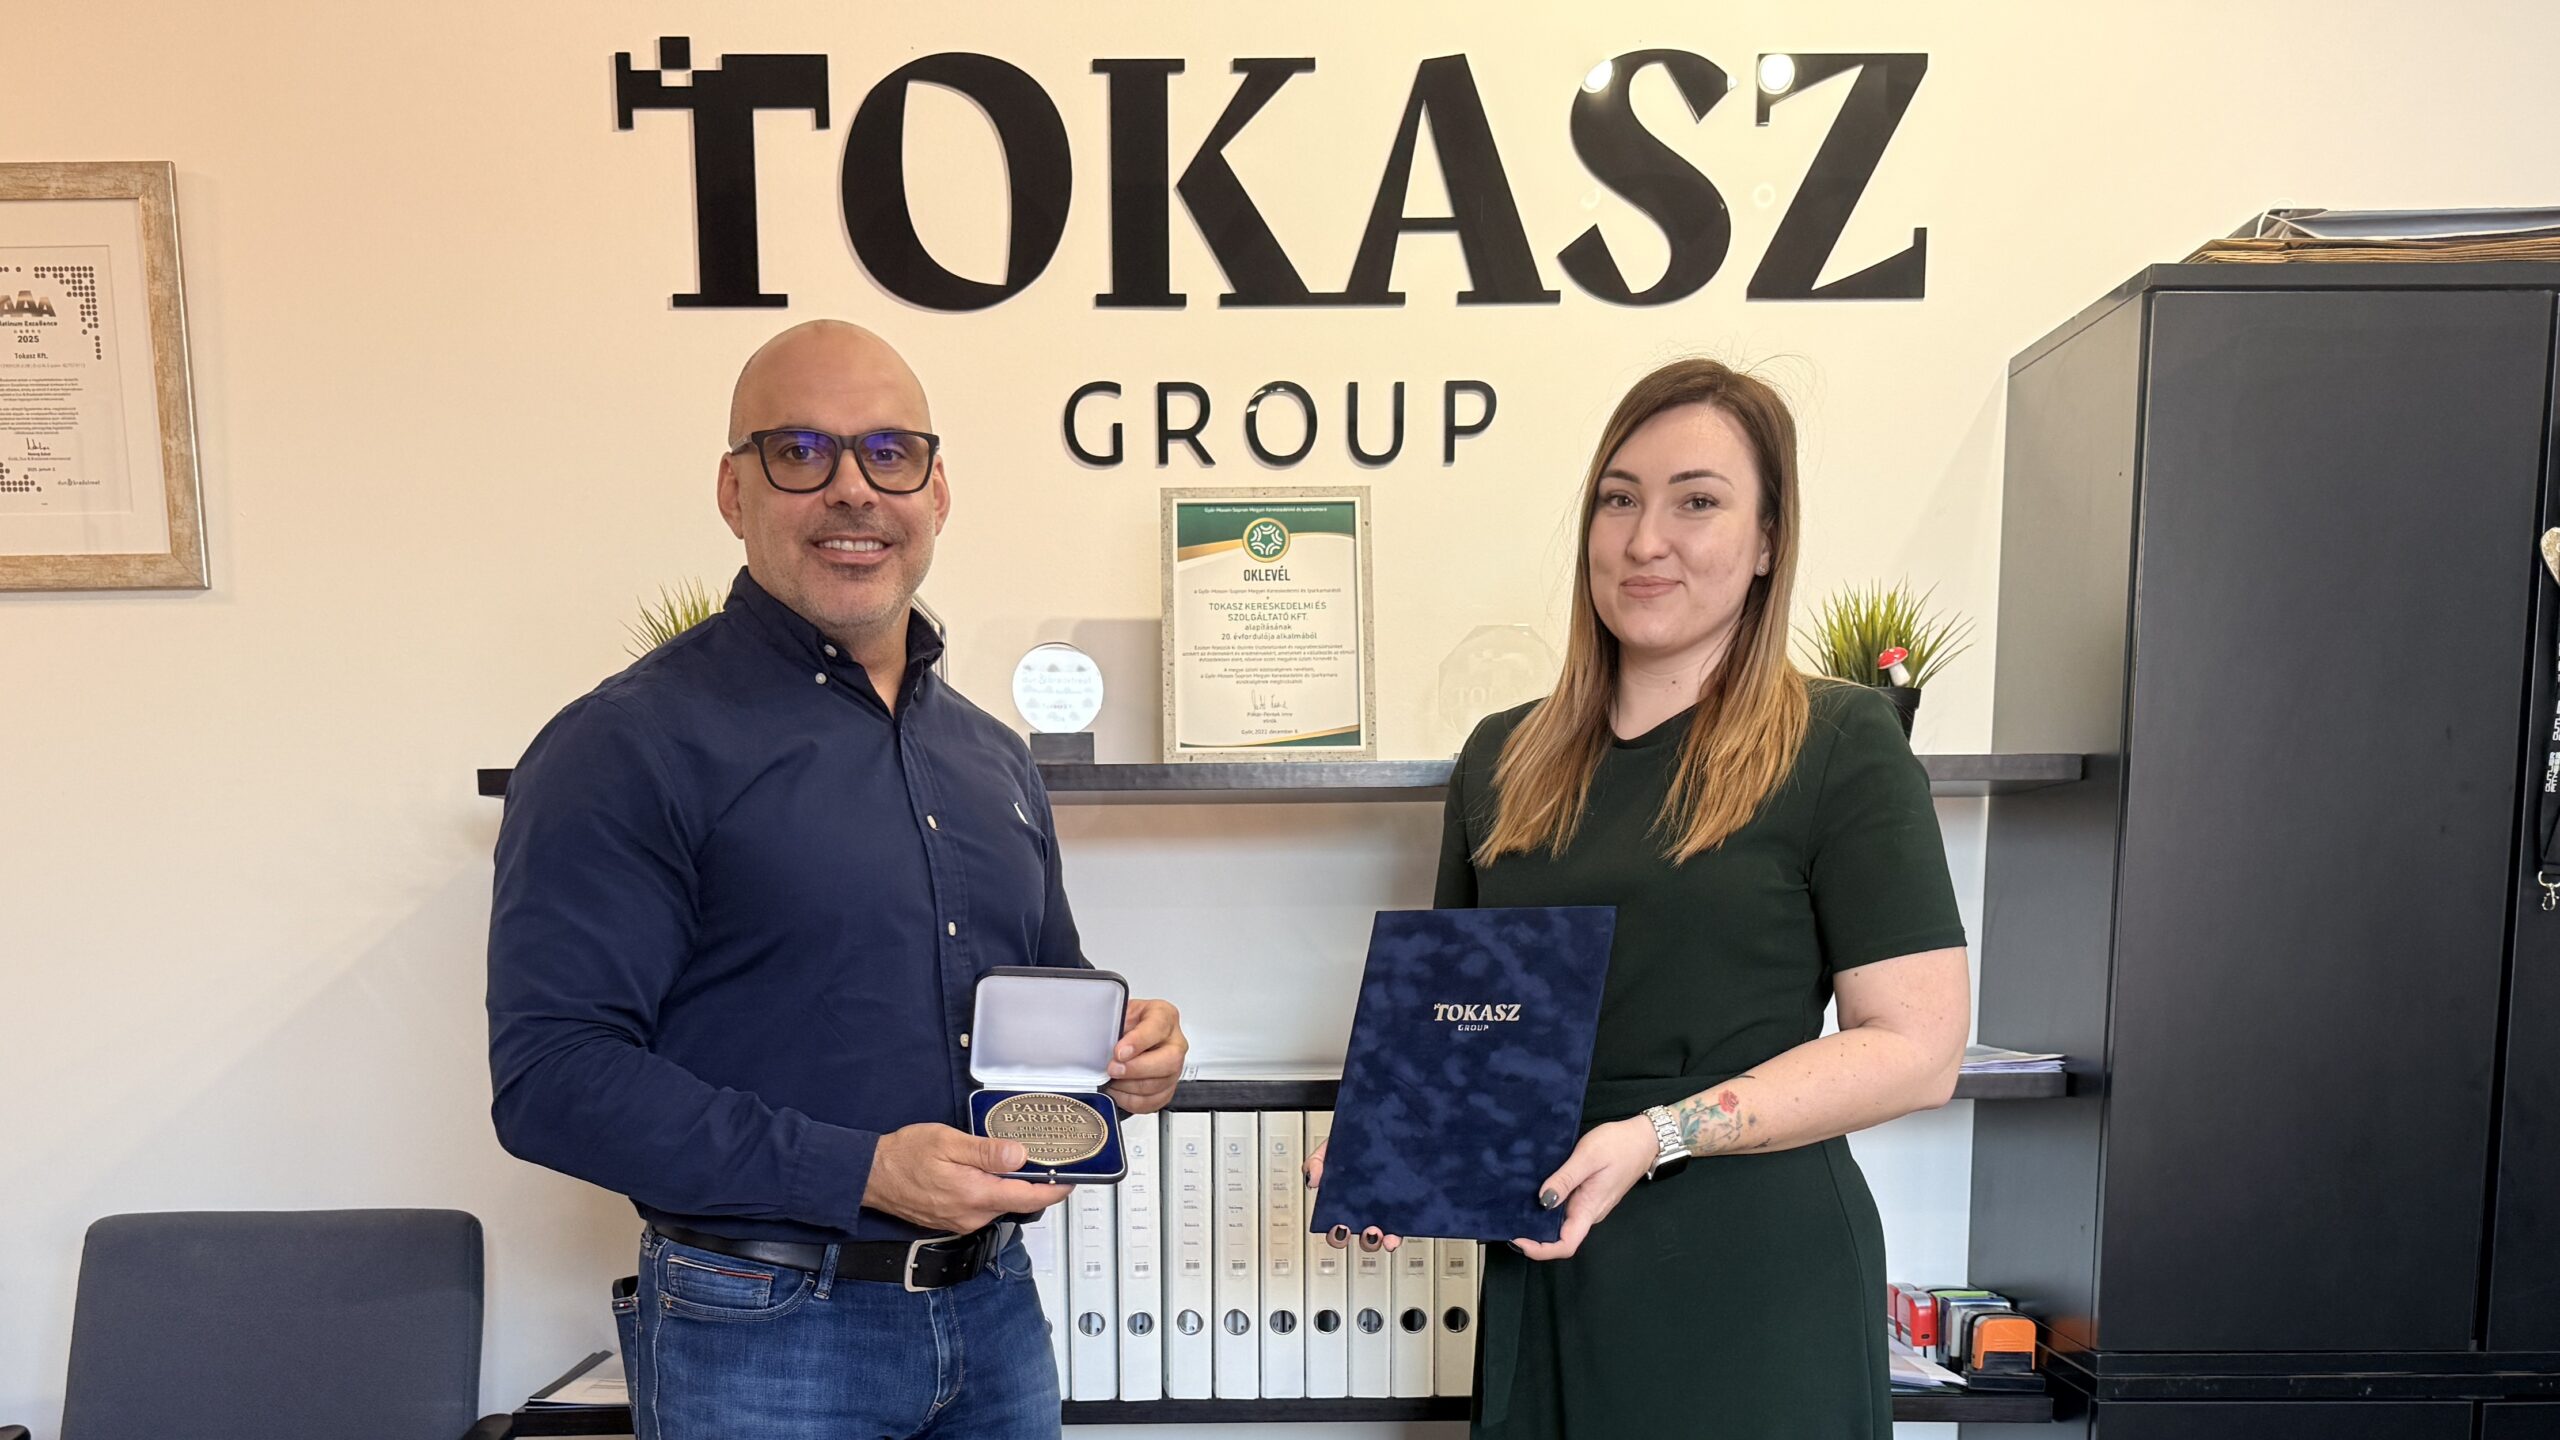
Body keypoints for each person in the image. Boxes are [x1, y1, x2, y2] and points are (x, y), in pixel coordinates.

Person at [487, 319, 1187, 1440]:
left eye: (889, 452)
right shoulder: (624, 745)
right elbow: (552, 1080)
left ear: (937, 491)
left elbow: (1043, 993)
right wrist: (859, 1171)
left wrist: (1130, 1048)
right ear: (734, 490)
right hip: (762, 1332)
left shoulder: (992, 757)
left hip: (995, 1313)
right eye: (801, 452)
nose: (853, 488)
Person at [1313, 357, 1969, 1437]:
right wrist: (1395, 1147)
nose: (1644, 540)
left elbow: (1918, 1048)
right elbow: (1462, 1026)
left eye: (1696, 502)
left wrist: (1658, 1134)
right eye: (1618, 500)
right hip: (1550, 1258)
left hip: (1753, 1281)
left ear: (1768, 540)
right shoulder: (1502, 758)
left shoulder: (1842, 742)